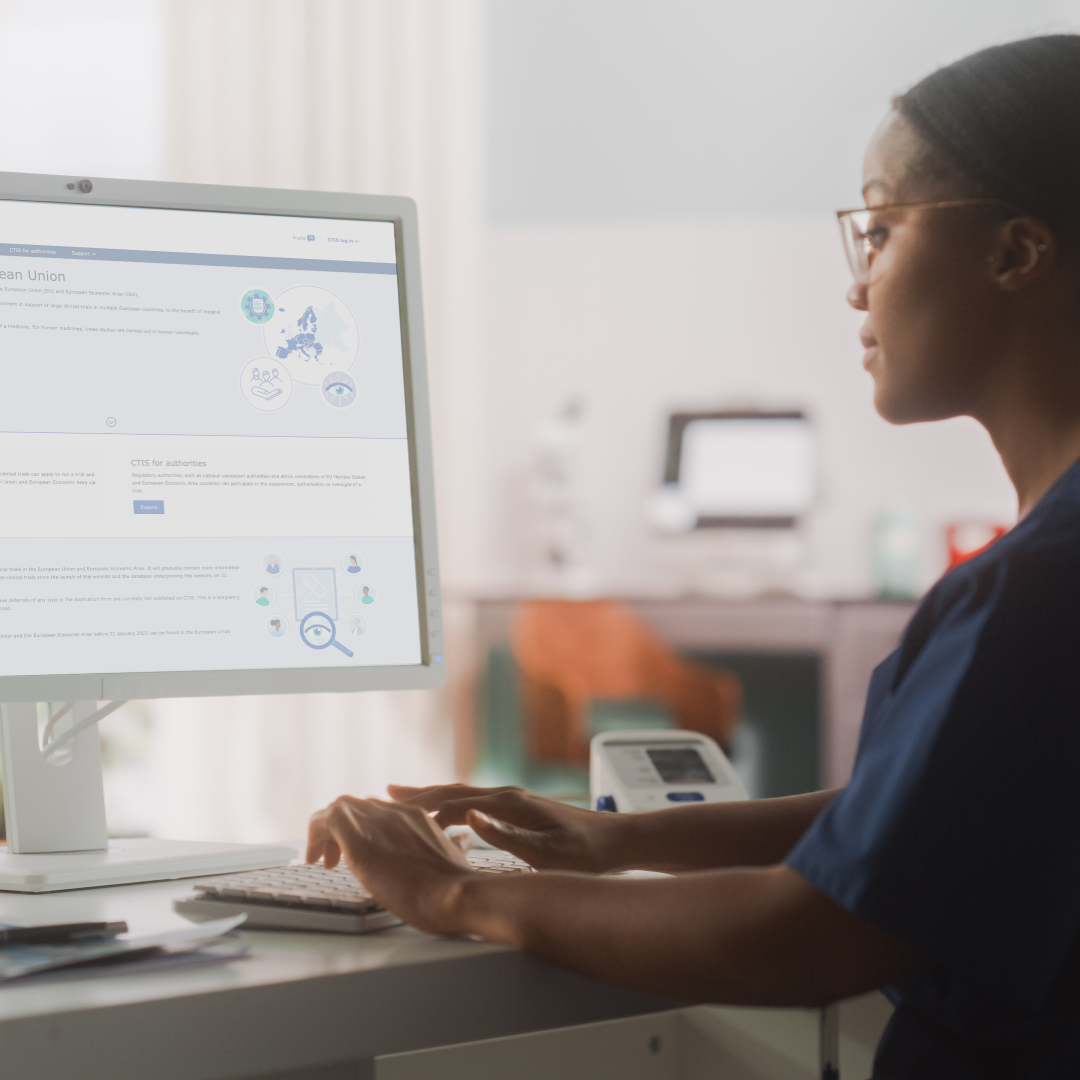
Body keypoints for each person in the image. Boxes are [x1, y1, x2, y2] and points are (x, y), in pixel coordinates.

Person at [306, 37, 1080, 1078]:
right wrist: (620, 840)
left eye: (880, 230)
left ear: (1017, 253)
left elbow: (808, 935)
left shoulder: (1031, 590)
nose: (858, 290)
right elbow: (945, 823)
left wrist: (454, 893)